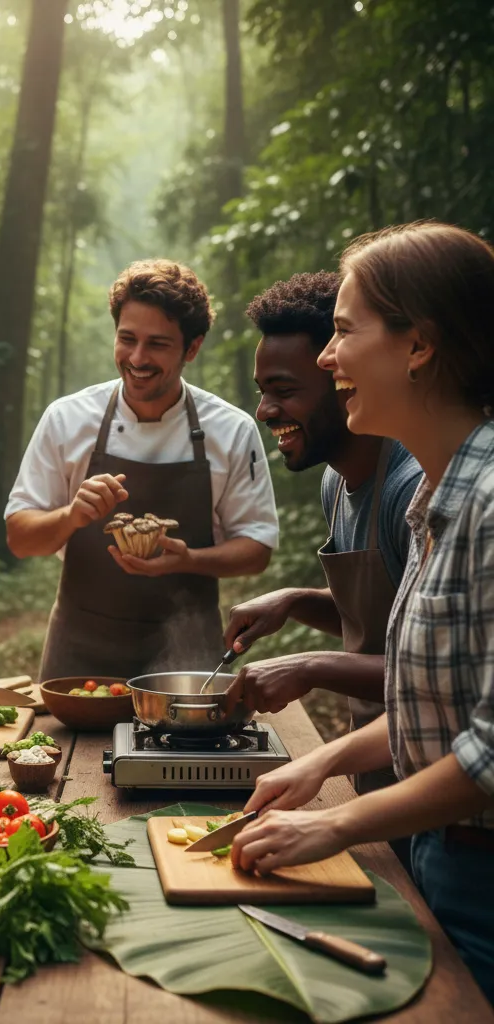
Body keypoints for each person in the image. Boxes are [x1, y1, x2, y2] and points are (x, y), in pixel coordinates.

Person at [230, 222, 494, 1001]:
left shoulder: (488, 504)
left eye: (343, 331)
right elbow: (436, 711)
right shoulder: (440, 502)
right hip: (439, 853)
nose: (324, 356)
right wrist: (319, 764)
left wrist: (340, 822)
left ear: (418, 347)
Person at [5, 259, 278, 681]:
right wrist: (71, 515)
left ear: (192, 347)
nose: (137, 358)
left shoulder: (231, 430)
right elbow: (20, 538)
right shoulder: (68, 418)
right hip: (78, 654)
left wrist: (188, 559)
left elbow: (257, 548)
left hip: (189, 656)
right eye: (127, 338)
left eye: (157, 344)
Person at [224, 273, 422, 824]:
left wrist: (311, 667)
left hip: (433, 783)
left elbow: (433, 673)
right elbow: (384, 620)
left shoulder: (410, 490)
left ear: (343, 377)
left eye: (284, 391)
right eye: (264, 391)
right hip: (375, 766)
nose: (265, 411)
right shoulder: (336, 482)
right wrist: (294, 601)